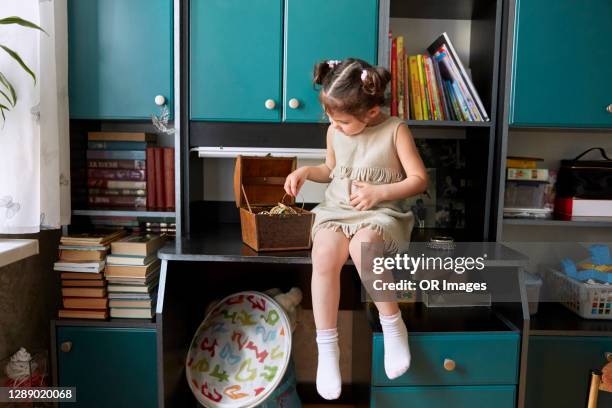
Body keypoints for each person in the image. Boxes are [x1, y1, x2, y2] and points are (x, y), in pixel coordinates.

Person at [284, 58, 428, 400]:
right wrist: (307, 172)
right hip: (337, 209)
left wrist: (380, 192)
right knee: (324, 255)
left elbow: (419, 180)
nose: (335, 125)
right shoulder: (336, 131)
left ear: (372, 112)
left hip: (381, 211)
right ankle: (327, 350)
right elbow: (332, 168)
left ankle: (393, 325)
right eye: (331, 118)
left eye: (343, 120)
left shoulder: (395, 130)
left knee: (363, 248)